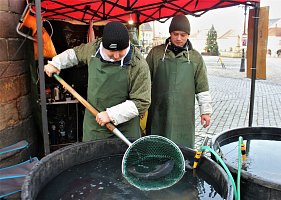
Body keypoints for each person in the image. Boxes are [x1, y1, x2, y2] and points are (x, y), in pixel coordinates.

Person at [44, 21, 151, 141]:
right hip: (95, 125)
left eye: (121, 51)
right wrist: (56, 63)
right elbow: (75, 54)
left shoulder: (138, 64)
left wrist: (110, 115)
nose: (116, 56)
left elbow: (141, 102)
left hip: (125, 129)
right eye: (111, 51)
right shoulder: (94, 49)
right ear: (104, 46)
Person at [146, 15, 212, 148]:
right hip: (159, 110)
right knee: (157, 144)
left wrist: (205, 112)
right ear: (170, 33)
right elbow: (145, 82)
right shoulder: (156, 53)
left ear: (188, 35)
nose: (179, 38)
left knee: (183, 149)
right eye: (175, 34)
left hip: (184, 113)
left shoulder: (195, 58)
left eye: (183, 35)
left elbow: (202, 87)